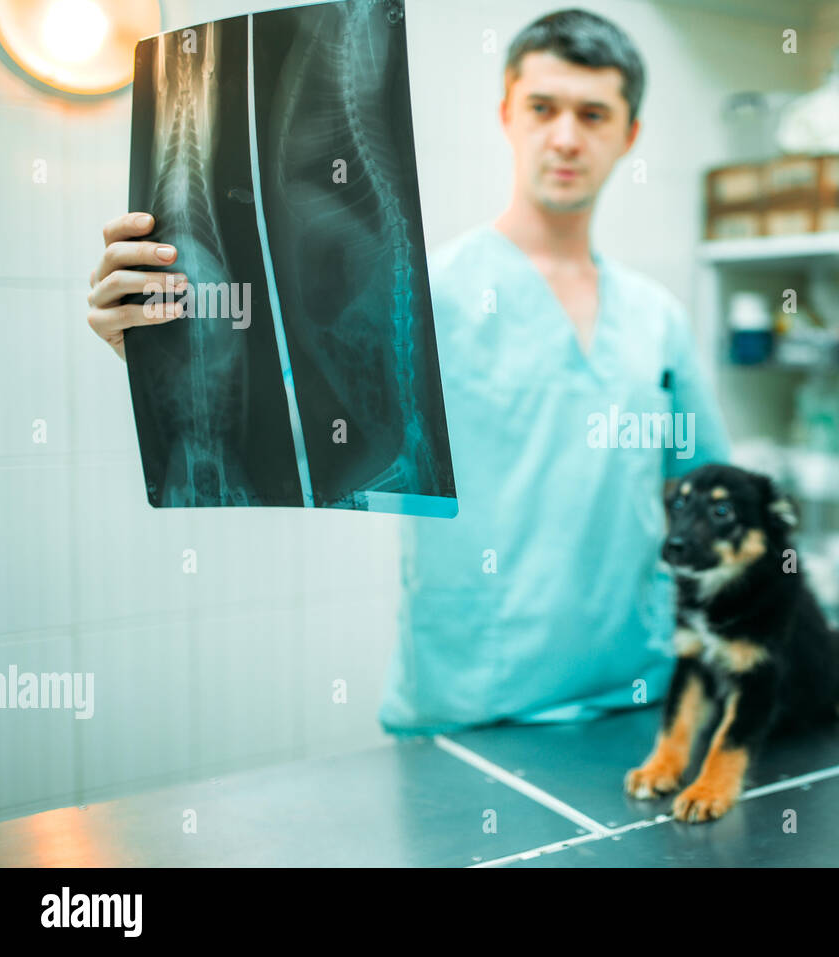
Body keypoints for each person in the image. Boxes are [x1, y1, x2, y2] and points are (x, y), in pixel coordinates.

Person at [84, 8, 730, 735]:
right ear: (506, 113)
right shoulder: (422, 293)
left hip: (637, 701)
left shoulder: (657, 319)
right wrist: (158, 343)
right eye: (543, 108)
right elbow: (286, 415)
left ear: (630, 135)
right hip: (470, 712)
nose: (566, 137)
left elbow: (706, 493)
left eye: (594, 113)